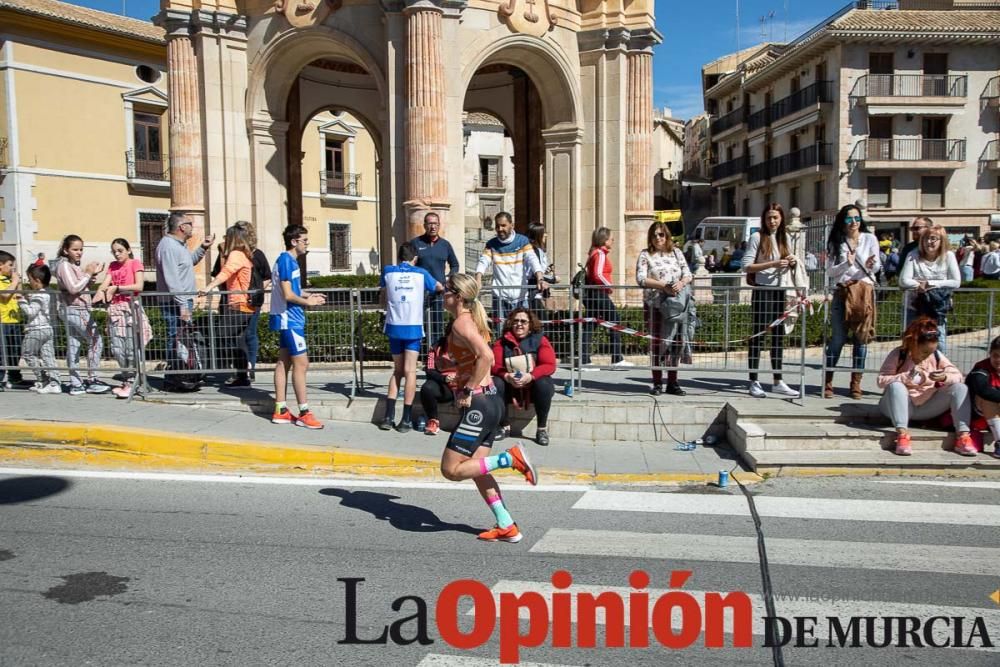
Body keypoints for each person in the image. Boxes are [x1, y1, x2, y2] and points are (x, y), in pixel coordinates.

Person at [438, 273, 538, 544]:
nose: (442, 293)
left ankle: (510, 459)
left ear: (458, 296)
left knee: (451, 470)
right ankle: (507, 525)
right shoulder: (471, 318)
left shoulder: (461, 323)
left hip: (479, 404)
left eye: (447, 290)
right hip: (491, 400)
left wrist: (468, 387)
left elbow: (487, 356)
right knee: (477, 469)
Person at [877, 316, 974, 457]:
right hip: (897, 406)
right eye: (924, 352)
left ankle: (963, 437)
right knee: (896, 386)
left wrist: (945, 377)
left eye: (930, 352)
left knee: (960, 387)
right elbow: (881, 380)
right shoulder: (899, 354)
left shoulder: (936, 355)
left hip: (926, 406)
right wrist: (904, 377)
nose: (927, 355)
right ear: (914, 344)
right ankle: (902, 436)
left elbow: (958, 376)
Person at [378, 242, 442, 432]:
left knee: (397, 371)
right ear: (415, 258)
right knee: (410, 371)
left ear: (399, 257)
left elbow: (382, 287)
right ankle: (405, 419)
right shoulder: (421, 273)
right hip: (413, 327)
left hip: (393, 326)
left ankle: (388, 417)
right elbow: (437, 286)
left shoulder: (388, 271)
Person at [269, 224, 327, 428]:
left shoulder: (289, 261)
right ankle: (304, 412)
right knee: (302, 364)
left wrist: (310, 295)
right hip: (290, 319)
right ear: (294, 242)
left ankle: (281, 410)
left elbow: (295, 290)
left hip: (288, 318)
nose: (307, 244)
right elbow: (287, 294)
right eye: (304, 241)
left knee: (283, 363)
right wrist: (308, 302)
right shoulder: (286, 261)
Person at [823, 204, 881, 400]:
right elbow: (831, 271)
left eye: (856, 218)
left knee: (861, 341)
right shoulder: (836, 242)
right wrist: (846, 263)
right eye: (849, 219)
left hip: (863, 293)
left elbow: (875, 266)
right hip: (843, 292)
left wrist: (868, 264)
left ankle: (856, 383)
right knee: (838, 340)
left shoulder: (870, 238)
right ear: (842, 221)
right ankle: (828, 380)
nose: (853, 222)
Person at [742, 204, 799, 398]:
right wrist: (773, 264)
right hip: (763, 291)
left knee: (778, 337)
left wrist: (792, 262)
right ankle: (754, 380)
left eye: (775, 217)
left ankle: (777, 380)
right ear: (764, 219)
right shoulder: (757, 237)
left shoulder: (785, 238)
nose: (772, 221)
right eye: (769, 218)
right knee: (758, 335)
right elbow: (746, 266)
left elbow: (791, 263)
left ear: (781, 218)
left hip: (781, 291)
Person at [155, 211, 215, 386]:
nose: (192, 227)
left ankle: (183, 375)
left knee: (183, 340)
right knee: (175, 338)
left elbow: (188, 262)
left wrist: (203, 247)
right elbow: (172, 279)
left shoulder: (179, 245)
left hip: (182, 301)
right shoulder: (168, 247)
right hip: (174, 303)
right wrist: (182, 305)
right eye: (190, 223)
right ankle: (174, 377)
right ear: (182, 227)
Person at [635, 221, 693, 396]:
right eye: (654, 235)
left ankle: (673, 382)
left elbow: (688, 273)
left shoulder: (676, 252)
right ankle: (658, 381)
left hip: (677, 305)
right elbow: (641, 279)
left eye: (661, 234)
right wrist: (663, 286)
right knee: (658, 343)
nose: (658, 238)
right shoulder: (645, 255)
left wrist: (681, 283)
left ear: (667, 236)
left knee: (676, 342)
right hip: (656, 305)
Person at [93, 239, 152, 399]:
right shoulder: (112, 266)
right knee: (118, 348)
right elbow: (105, 284)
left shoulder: (135, 263)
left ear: (128, 250)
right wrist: (100, 291)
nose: (117, 254)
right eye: (114, 251)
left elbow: (139, 286)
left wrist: (118, 288)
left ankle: (132, 381)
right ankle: (127, 380)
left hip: (131, 309)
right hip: (115, 311)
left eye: (120, 250)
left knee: (131, 349)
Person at [491, 308, 557, 447]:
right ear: (510, 323)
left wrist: (531, 376)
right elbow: (494, 365)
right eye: (516, 321)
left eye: (523, 321)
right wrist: (507, 376)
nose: (519, 324)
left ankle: (541, 429)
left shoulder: (541, 340)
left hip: (532, 387)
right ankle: (503, 425)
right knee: (495, 382)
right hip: (510, 386)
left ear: (530, 325)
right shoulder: (501, 342)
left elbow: (549, 365)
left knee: (544, 383)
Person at [200, 224, 256, 387]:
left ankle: (238, 372)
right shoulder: (243, 254)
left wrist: (208, 287)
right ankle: (242, 375)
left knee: (223, 335)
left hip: (239, 303)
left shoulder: (237, 254)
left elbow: (225, 272)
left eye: (227, 237)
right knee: (237, 339)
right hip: (242, 304)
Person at [55, 235, 111, 396]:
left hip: (77, 309)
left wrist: (91, 276)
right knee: (95, 340)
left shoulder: (72, 265)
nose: (79, 252)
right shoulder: (65, 266)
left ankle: (76, 383)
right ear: (66, 250)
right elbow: (73, 288)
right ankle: (92, 379)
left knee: (74, 344)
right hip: (75, 309)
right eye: (75, 249)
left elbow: (80, 286)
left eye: (81, 249)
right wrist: (87, 274)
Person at [475, 212, 546, 331]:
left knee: (523, 331)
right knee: (501, 332)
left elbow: (532, 259)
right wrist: (478, 278)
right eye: (497, 226)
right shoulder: (492, 244)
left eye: (503, 225)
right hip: (500, 296)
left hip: (521, 296)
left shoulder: (522, 241)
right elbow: (484, 261)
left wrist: (540, 277)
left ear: (511, 225)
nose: (500, 229)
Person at [899, 222, 959, 350]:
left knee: (939, 344)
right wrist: (918, 285)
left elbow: (956, 281)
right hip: (914, 306)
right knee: (912, 343)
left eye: (934, 239)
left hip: (937, 307)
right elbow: (904, 280)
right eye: (926, 238)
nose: (929, 242)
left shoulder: (949, 256)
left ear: (941, 241)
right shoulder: (913, 255)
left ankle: (938, 368)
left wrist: (931, 284)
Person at [581, 227, 633, 368]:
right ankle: (616, 358)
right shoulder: (600, 254)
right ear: (604, 240)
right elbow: (598, 274)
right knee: (614, 321)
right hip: (598, 293)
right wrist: (609, 286)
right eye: (611, 238)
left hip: (593, 293)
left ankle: (584, 360)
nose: (613, 240)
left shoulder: (594, 253)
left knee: (590, 324)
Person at [410, 211, 458, 346]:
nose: (433, 227)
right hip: (420, 293)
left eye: (435, 224)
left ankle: (434, 355)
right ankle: (422, 353)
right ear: (424, 225)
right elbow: (408, 264)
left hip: (439, 292)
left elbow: (455, 264)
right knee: (421, 323)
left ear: (439, 225)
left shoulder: (445, 245)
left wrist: (449, 279)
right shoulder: (415, 243)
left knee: (437, 326)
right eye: (430, 223)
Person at [15, 264, 62, 394]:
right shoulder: (51, 292)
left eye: (30, 280)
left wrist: (21, 300)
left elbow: (31, 312)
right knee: (48, 356)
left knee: (28, 353)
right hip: (49, 328)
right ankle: (55, 383)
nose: (29, 283)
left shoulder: (39, 295)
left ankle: (43, 379)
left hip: (36, 329)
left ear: (37, 280)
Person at [419, 323, 458, 437]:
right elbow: (430, 370)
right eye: (454, 334)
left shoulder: (468, 347)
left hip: (462, 383)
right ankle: (433, 421)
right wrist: (444, 378)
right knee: (427, 388)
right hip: (443, 384)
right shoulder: (436, 347)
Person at [965, 336, 1000, 458]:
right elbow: (982, 390)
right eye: (995, 355)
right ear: (989, 354)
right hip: (978, 415)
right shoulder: (981, 367)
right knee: (988, 399)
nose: (999, 360)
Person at [0, 250, 24, 389]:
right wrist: (14, 281)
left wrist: (17, 283)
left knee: (15, 351)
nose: (12, 269)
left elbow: (18, 295)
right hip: (2, 321)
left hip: (14, 320)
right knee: (2, 353)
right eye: (10, 265)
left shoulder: (10, 280)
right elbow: (4, 296)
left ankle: (15, 377)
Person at [526, 223, 556, 312]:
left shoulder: (538, 250)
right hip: (532, 292)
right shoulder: (533, 250)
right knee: (541, 321)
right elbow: (533, 273)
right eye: (544, 232)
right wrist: (553, 279)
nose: (546, 235)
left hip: (535, 293)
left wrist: (546, 271)